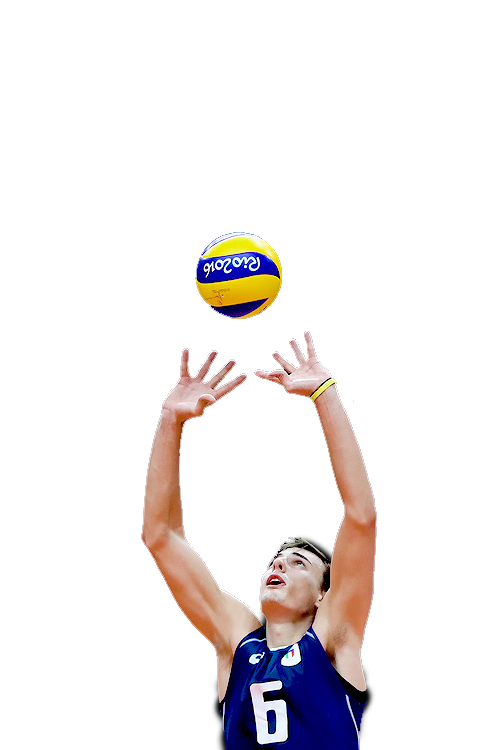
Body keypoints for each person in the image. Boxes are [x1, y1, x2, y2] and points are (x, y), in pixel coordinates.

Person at [142, 331, 376, 749]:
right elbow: (160, 536)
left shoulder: (333, 638)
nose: (278, 564)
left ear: (323, 595)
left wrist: (324, 393)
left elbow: (361, 517)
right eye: (275, 562)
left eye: (299, 562)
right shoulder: (238, 644)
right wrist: (170, 420)